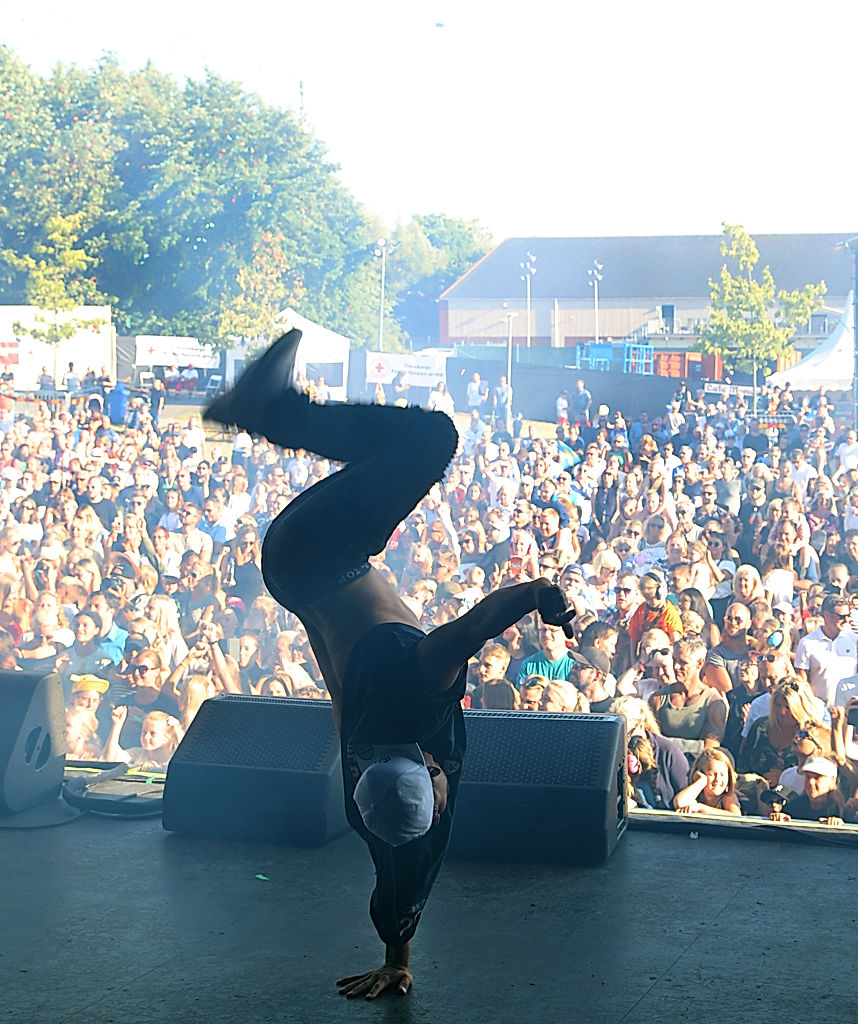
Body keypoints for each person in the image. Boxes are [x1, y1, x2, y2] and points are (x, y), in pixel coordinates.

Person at [205, 328, 575, 999]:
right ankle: (269, 413)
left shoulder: (417, 687)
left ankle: (271, 413)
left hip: (323, 556)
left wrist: (541, 596)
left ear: (432, 777)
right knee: (400, 456)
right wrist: (397, 962)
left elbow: (477, 624)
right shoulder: (364, 793)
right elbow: (397, 883)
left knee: (431, 441)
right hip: (297, 578)